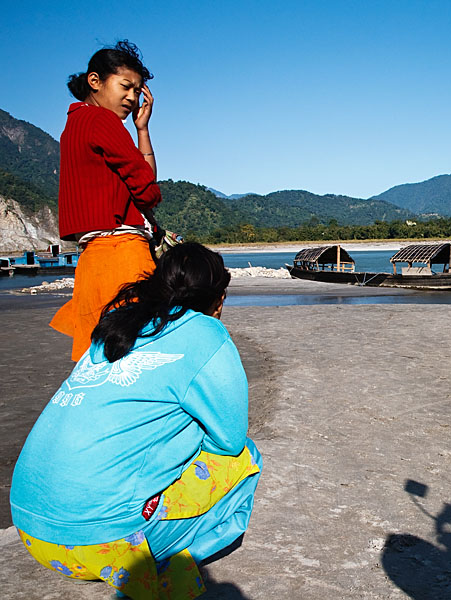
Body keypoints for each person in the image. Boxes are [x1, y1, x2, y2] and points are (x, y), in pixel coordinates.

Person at [11, 243, 262, 600]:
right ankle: (172, 562)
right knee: (246, 459)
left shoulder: (119, 326)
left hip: (34, 535)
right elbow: (229, 440)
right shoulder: (207, 332)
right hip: (99, 544)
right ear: (218, 300)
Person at [50, 40, 162, 361]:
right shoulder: (103, 121)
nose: (132, 97)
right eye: (126, 86)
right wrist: (150, 196)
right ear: (95, 81)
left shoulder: (75, 123)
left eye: (138, 91)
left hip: (93, 257)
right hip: (121, 251)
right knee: (137, 351)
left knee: (98, 355)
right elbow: (147, 188)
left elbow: (141, 178)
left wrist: (141, 129)